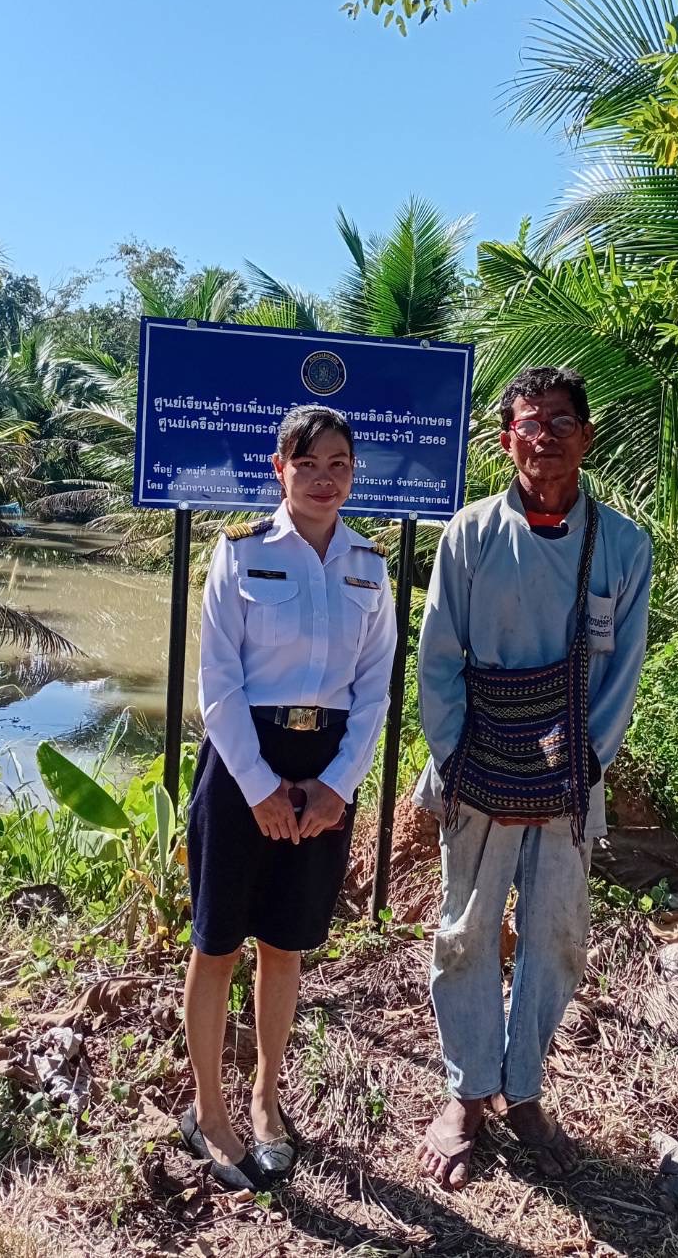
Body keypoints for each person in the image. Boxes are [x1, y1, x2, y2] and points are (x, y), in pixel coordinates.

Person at [413, 366, 652, 1191]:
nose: (543, 434)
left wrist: (575, 771)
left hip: (569, 779)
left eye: (560, 420)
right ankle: (466, 1093)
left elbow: (620, 675)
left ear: (587, 437)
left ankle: (524, 1091)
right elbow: (438, 659)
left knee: (555, 936)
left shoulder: (623, 546)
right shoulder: (470, 534)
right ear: (506, 439)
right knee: (465, 932)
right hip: (475, 769)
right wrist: (462, 764)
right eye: (528, 421)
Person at [181, 404, 396, 1192]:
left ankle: (267, 1100)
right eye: (307, 463)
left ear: (353, 473)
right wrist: (260, 787)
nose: (323, 478)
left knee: (285, 944)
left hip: (324, 769)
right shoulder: (240, 552)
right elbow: (218, 683)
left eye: (339, 464)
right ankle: (209, 1110)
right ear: (280, 469)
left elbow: (374, 689)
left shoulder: (369, 565)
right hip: (245, 765)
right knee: (217, 944)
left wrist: (338, 785)